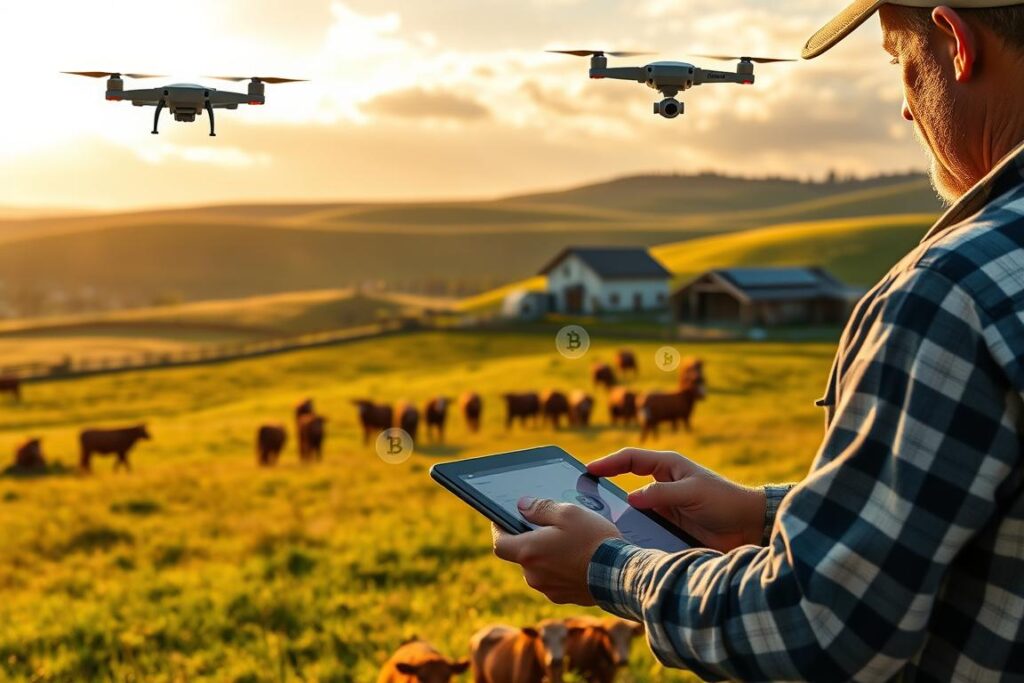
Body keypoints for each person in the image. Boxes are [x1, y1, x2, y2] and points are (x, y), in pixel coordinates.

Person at [492, 1, 1024, 679]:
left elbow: (819, 629)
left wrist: (608, 567)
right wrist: (768, 514)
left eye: (899, 59)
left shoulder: (952, 292)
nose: (906, 110)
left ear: (955, 43)